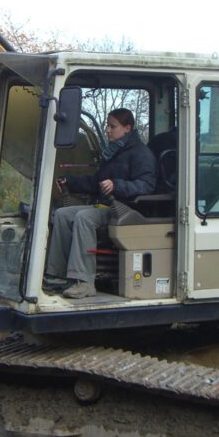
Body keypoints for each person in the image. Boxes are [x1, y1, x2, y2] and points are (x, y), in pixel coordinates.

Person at [44, 108, 156, 299]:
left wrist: (117, 185)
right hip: (104, 207)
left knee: (83, 218)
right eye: (107, 125)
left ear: (127, 128)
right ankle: (57, 275)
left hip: (123, 210)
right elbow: (97, 182)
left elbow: (147, 186)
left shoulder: (141, 154)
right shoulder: (113, 152)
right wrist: (70, 181)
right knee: (62, 214)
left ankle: (85, 282)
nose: (107, 130)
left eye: (113, 126)